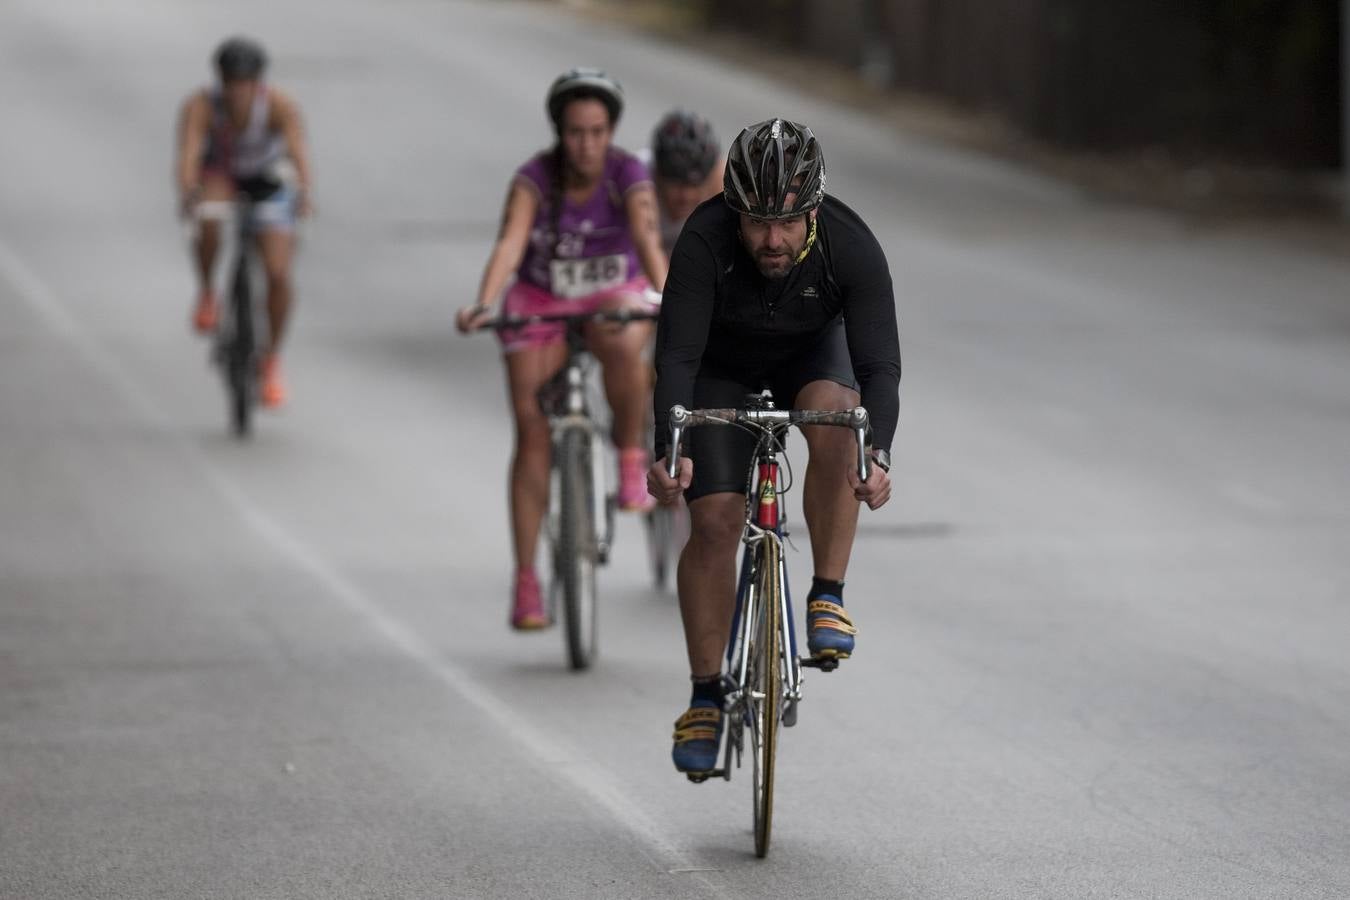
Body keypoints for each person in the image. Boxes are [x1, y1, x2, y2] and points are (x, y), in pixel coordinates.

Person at [646, 118, 900, 774]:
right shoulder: (704, 240)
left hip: (809, 357)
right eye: (756, 223)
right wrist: (667, 448)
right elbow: (674, 357)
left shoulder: (850, 244)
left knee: (839, 418)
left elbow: (880, 369)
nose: (772, 240)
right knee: (714, 521)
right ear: (733, 209)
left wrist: (882, 453)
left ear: (812, 210)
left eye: (787, 224)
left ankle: (828, 594)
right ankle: (705, 695)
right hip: (718, 369)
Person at [456, 68, 668, 630]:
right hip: (541, 295)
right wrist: (483, 301)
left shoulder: (629, 175)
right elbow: (509, 243)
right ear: (558, 132)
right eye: (576, 132)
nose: (587, 145)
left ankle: (628, 453)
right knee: (530, 432)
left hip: (607, 291)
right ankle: (527, 582)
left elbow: (648, 240)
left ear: (612, 130)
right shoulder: (533, 179)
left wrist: (671, 297)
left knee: (627, 340)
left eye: (598, 131)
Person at [175, 36, 313, 408]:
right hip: (221, 174)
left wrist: (303, 194)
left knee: (278, 272)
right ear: (219, 80)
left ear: (258, 82)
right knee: (207, 219)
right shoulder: (201, 106)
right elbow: (188, 154)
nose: (237, 91)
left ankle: (271, 359)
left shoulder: (279, 105)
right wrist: (188, 193)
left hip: (265, 179)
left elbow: (298, 151)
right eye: (231, 82)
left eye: (245, 82)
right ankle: (207, 291)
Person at [648, 109, 724, 253]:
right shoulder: (637, 181)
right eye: (677, 183)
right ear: (657, 173)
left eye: (695, 185)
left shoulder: (722, 183)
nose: (686, 196)